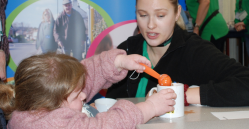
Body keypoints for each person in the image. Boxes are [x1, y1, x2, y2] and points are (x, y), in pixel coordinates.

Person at [106, 0, 249, 107]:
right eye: (143, 15)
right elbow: (111, 103)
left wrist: (182, 95)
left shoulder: (194, 50)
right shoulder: (126, 51)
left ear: (177, 13)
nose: (150, 25)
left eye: (161, 15)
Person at [0, 51, 176, 128]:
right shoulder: (50, 125)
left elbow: (88, 75)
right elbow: (106, 126)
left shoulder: (35, 105)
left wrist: (120, 62)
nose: (84, 94)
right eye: (77, 95)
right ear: (49, 106)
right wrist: (149, 108)